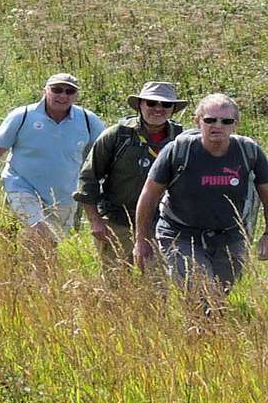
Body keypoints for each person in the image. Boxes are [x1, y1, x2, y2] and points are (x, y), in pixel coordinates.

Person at [133, 93, 268, 312]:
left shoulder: (249, 152)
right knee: (203, 298)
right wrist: (141, 240)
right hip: (180, 235)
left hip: (230, 238)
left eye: (226, 121)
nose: (217, 126)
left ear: (235, 125)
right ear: (198, 121)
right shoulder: (178, 151)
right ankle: (204, 339)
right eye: (210, 120)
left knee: (217, 301)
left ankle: (200, 340)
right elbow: (149, 196)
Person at [0, 72, 106, 249]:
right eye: (57, 90)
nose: (63, 95)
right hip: (21, 186)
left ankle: (27, 273)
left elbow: (102, 156)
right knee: (41, 235)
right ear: (45, 90)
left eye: (69, 91)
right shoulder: (22, 116)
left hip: (64, 196)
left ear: (76, 96)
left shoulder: (88, 120)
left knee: (48, 246)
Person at [76, 80, 188, 267]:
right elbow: (88, 178)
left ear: (173, 109)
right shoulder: (117, 135)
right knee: (117, 287)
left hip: (160, 226)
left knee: (156, 288)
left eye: (166, 104)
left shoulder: (183, 140)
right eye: (151, 103)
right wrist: (95, 221)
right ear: (140, 105)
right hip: (117, 222)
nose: (158, 109)